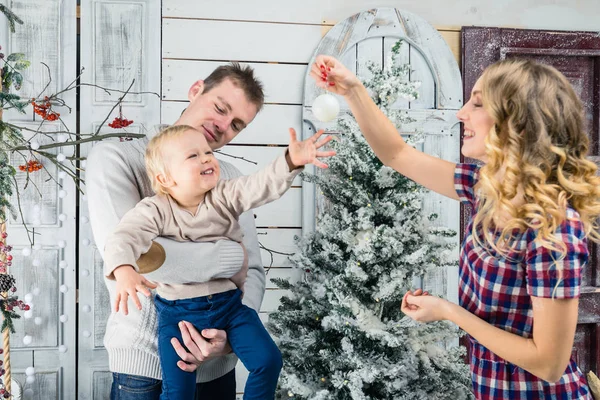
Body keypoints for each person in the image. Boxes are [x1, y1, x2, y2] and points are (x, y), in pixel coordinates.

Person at [311, 56, 599, 399]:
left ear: (518, 124)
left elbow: (549, 364)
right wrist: (353, 90)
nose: (462, 113)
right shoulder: (487, 190)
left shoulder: (553, 231)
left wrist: (449, 312)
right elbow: (397, 154)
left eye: (478, 103)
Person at [103, 124, 334, 400]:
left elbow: (258, 185)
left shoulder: (224, 195)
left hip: (230, 308)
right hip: (179, 317)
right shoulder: (156, 209)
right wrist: (124, 269)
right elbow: (124, 236)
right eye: (193, 156)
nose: (206, 158)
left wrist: (290, 161)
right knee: (178, 393)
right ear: (165, 178)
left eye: (208, 152)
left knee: (268, 360)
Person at [87, 63, 272, 399]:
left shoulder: (229, 177)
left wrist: (226, 338)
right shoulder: (115, 159)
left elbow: (255, 271)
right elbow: (141, 258)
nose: (222, 126)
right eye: (219, 108)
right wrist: (232, 255)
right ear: (195, 90)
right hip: (145, 368)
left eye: (236, 125)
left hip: (218, 369)